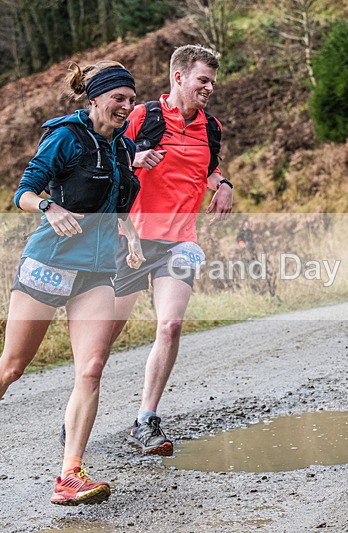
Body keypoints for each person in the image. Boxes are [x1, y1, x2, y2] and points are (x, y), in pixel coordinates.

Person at [0, 61, 144, 505]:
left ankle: (69, 474)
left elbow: (117, 206)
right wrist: (50, 208)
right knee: (12, 367)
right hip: (51, 261)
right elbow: (23, 191)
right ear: (96, 98)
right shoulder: (66, 136)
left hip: (97, 270)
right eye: (119, 98)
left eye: (131, 99)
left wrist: (132, 235)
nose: (126, 105)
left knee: (92, 366)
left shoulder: (123, 147)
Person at [110, 45, 233, 456]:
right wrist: (135, 157)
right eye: (203, 80)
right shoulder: (142, 117)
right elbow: (105, 160)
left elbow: (208, 167)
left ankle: (146, 420)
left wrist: (223, 184)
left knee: (171, 325)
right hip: (130, 238)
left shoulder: (211, 128)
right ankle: (80, 405)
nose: (210, 87)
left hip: (180, 241)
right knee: (103, 340)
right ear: (178, 77)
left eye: (213, 81)